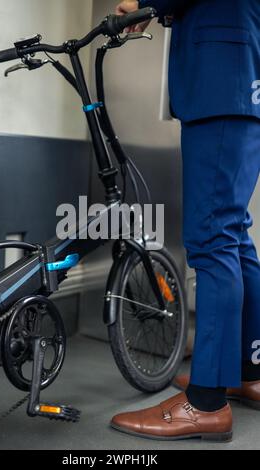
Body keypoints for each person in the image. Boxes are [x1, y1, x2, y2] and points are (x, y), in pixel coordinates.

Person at [111, 0, 260, 442]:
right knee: (232, 236)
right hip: (239, 79)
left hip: (221, 80)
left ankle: (207, 403)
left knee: (213, 238)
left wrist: (145, 4)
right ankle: (246, 370)